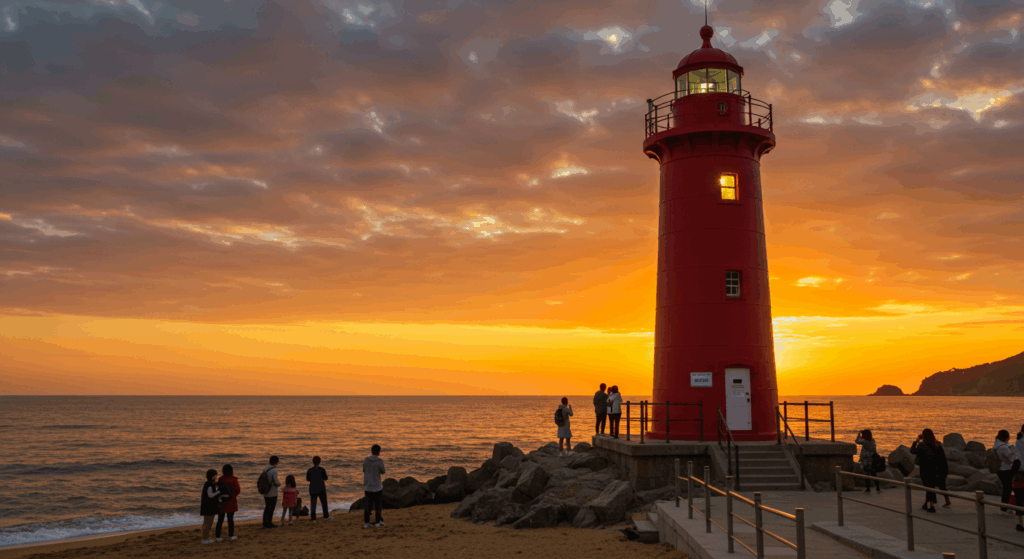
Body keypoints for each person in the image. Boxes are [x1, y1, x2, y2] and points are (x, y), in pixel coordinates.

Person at [910, 429, 942, 513]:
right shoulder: (935, 445)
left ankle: (931, 506)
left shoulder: (921, 445)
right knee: (930, 486)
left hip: (924, 469)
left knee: (928, 487)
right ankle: (926, 504)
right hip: (933, 468)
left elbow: (912, 451)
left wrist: (917, 440)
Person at [363, 444, 386, 528]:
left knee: (367, 505)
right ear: (378, 451)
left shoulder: (366, 459)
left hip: (368, 485)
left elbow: (364, 470)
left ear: (372, 451)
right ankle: (377, 522)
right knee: (378, 505)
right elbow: (383, 471)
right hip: (377, 486)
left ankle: (367, 522)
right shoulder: (379, 460)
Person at [994, 429, 1016, 513]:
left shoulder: (997, 444)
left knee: (1007, 489)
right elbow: (1012, 458)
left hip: (999, 469)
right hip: (1005, 470)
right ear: (1006, 437)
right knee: (1007, 489)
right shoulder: (1003, 447)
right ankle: (1004, 509)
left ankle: (1005, 507)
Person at [216, 464, 240, 542]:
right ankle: (231, 536)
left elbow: (218, 489)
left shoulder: (221, 479)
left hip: (222, 502)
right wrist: (233, 496)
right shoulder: (234, 480)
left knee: (220, 520)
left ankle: (218, 536)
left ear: (223, 471)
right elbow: (238, 490)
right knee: (230, 520)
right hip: (231, 502)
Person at [307, 456, 332, 521]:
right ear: (319, 462)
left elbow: (308, 479)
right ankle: (326, 517)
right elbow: (326, 478)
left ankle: (313, 518)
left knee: (313, 504)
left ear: (313, 462)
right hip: (321, 488)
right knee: (324, 503)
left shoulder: (310, 470)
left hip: (313, 488)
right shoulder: (322, 470)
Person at [200, 469, 221, 544]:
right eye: (215, 475)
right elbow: (210, 495)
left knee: (208, 522)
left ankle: (206, 538)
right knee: (207, 523)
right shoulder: (209, 484)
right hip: (208, 507)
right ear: (212, 476)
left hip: (207, 506)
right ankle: (204, 539)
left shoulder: (209, 483)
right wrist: (219, 491)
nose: (216, 476)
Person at [262, 456, 281, 528]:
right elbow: (276, 481)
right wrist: (279, 484)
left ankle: (265, 523)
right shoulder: (274, 470)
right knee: (271, 508)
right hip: (272, 492)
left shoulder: (265, 469)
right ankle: (269, 523)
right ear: (276, 461)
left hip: (266, 491)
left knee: (267, 507)